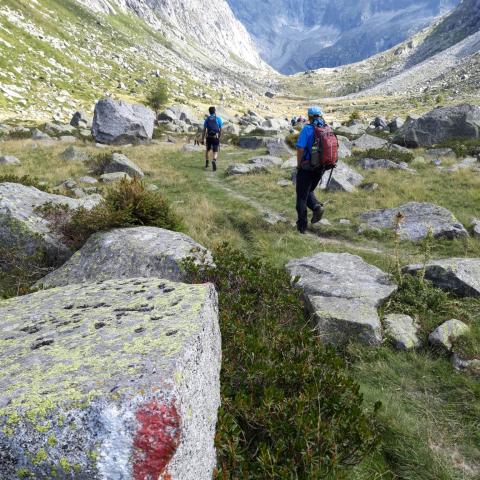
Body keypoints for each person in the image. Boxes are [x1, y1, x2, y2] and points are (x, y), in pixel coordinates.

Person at [295, 106, 326, 234]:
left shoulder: (307, 129)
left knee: (301, 197)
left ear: (309, 116)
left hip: (307, 167)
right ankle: (316, 207)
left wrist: (299, 164)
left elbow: (300, 148)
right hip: (321, 168)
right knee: (309, 191)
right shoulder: (326, 128)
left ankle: (302, 227)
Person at [202, 106, 223, 171]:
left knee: (207, 150)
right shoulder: (218, 119)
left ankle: (207, 163)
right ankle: (214, 160)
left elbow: (204, 130)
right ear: (215, 111)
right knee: (215, 151)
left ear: (209, 112)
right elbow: (221, 129)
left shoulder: (207, 119)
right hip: (215, 137)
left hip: (208, 137)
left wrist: (203, 139)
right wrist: (219, 137)